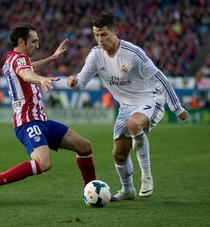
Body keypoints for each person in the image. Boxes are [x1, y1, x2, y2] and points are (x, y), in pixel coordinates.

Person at [0, 23, 98, 204]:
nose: (37, 45)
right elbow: (26, 74)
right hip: (28, 122)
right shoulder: (19, 60)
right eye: (34, 41)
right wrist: (41, 79)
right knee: (43, 163)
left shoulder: (13, 59)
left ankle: (91, 191)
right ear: (21, 41)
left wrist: (53, 57)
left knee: (84, 145)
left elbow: (29, 67)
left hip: (41, 120)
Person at [67, 14, 189, 200]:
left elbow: (160, 78)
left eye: (104, 34)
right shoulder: (95, 55)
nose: (100, 40)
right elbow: (81, 83)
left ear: (115, 32)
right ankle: (128, 190)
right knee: (119, 154)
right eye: (96, 35)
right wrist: (74, 82)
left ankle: (146, 177)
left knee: (134, 125)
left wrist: (177, 108)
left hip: (150, 99)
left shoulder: (133, 53)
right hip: (126, 107)